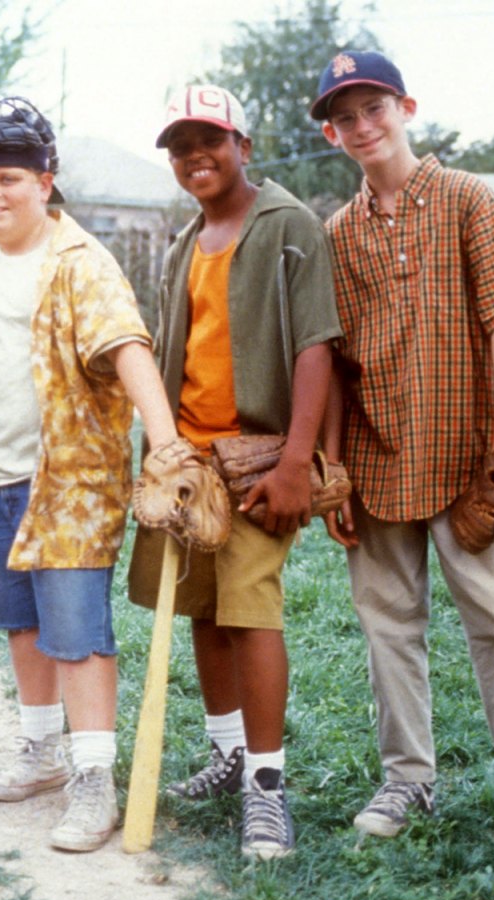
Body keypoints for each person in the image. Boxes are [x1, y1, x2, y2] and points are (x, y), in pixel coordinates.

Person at [312, 51, 494, 867]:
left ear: (406, 107)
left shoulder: (470, 198)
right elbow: (333, 361)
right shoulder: (339, 232)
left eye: (375, 108)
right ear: (332, 134)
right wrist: (332, 468)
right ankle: (408, 778)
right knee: (389, 625)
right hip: (375, 459)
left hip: (468, 450)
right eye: (346, 117)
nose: (364, 126)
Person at [0, 97, 180, 853]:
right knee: (20, 622)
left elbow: (128, 347)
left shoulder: (81, 262)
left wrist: (167, 443)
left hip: (70, 482)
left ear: (46, 182)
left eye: (9, 179)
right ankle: (43, 753)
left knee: (77, 634)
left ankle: (93, 779)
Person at [124, 85, 340, 860]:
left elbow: (317, 345)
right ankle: (228, 756)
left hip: (258, 458)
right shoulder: (186, 241)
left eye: (209, 141)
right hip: (195, 461)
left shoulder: (288, 225)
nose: (195, 158)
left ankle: (267, 787)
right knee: (205, 611)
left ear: (243, 144)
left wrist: (295, 462)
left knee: (252, 611)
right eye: (180, 147)